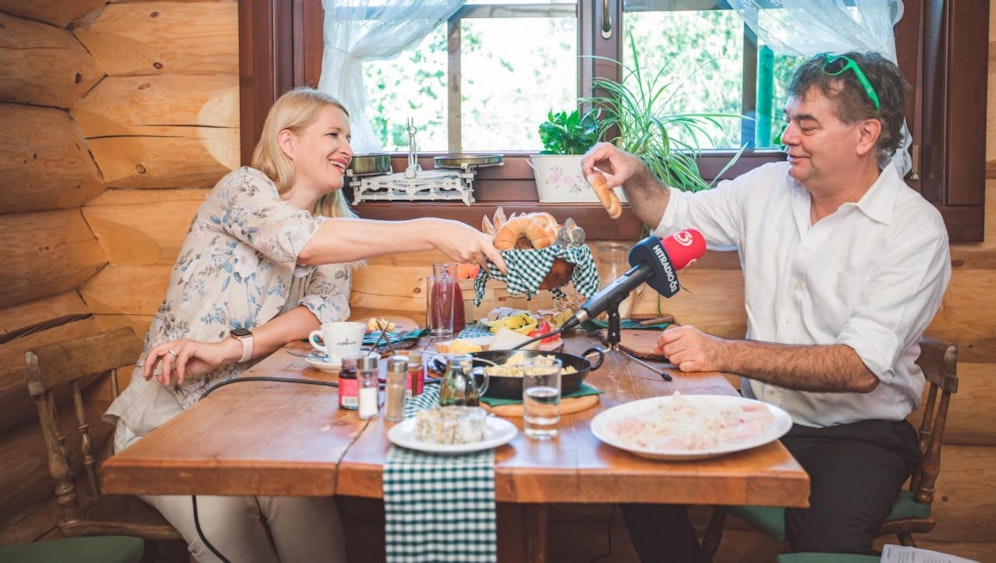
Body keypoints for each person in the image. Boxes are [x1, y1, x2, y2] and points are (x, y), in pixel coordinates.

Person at [103, 87, 507, 563]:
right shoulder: (243, 189)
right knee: (226, 515)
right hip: (170, 419)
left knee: (301, 498)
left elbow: (322, 309)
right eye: (333, 134)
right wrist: (434, 229)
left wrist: (233, 348)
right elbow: (300, 241)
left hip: (249, 421)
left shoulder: (335, 224)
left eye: (349, 137)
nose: (347, 149)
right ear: (288, 142)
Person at [582, 51, 951, 560]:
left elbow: (859, 368)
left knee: (827, 546)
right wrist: (636, 173)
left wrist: (723, 353)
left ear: (865, 135)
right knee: (639, 471)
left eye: (807, 125)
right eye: (788, 120)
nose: (787, 136)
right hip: (761, 418)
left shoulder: (914, 229)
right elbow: (674, 211)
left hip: (859, 435)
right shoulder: (765, 186)